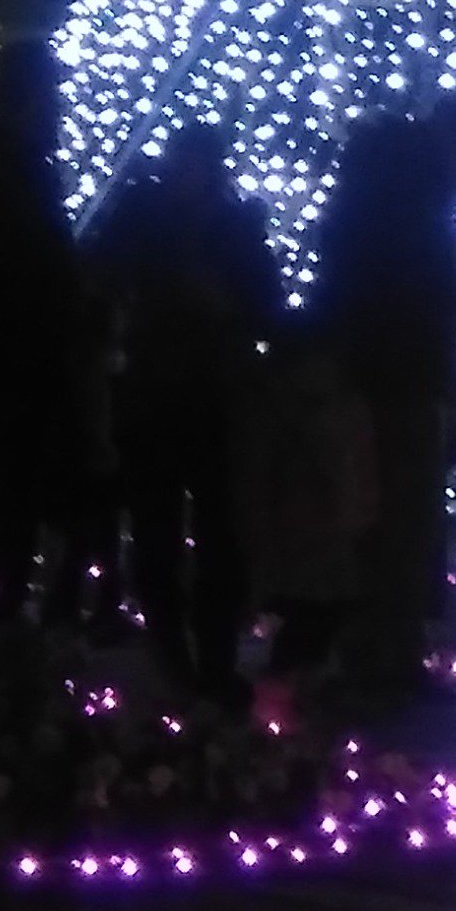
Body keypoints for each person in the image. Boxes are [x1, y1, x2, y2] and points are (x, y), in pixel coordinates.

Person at [83, 124, 282, 701]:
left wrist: (225, 307)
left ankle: (213, 658)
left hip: (212, 394)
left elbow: (262, 304)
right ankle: (175, 655)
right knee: (157, 532)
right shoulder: (141, 218)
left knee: (218, 533)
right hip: (155, 393)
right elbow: (102, 282)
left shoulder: (235, 226)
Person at [302, 116, 456, 700]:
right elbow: (440, 314)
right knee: (404, 524)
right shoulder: (426, 234)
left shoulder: (349, 232)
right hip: (406, 390)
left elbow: (333, 307)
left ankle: (364, 650)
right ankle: (392, 654)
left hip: (365, 389)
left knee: (366, 523)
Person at [0, 42, 104, 616]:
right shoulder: (6, 162)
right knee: (12, 477)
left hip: (2, 345)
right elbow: (23, 256)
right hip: (13, 347)